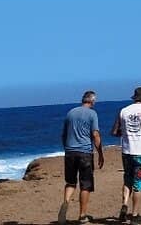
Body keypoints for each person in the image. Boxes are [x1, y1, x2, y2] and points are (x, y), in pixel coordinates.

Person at [111, 85, 141, 224]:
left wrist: (126, 133)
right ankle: (135, 213)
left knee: (127, 179)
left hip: (126, 152)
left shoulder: (123, 111)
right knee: (139, 182)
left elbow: (114, 131)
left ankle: (124, 204)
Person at [58, 90, 103, 225]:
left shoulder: (70, 113)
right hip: (84, 153)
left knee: (71, 182)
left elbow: (64, 135)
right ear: (92, 101)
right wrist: (100, 153)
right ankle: (82, 215)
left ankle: (66, 202)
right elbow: (95, 134)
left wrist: (66, 148)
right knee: (86, 185)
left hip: (70, 152)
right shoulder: (92, 114)